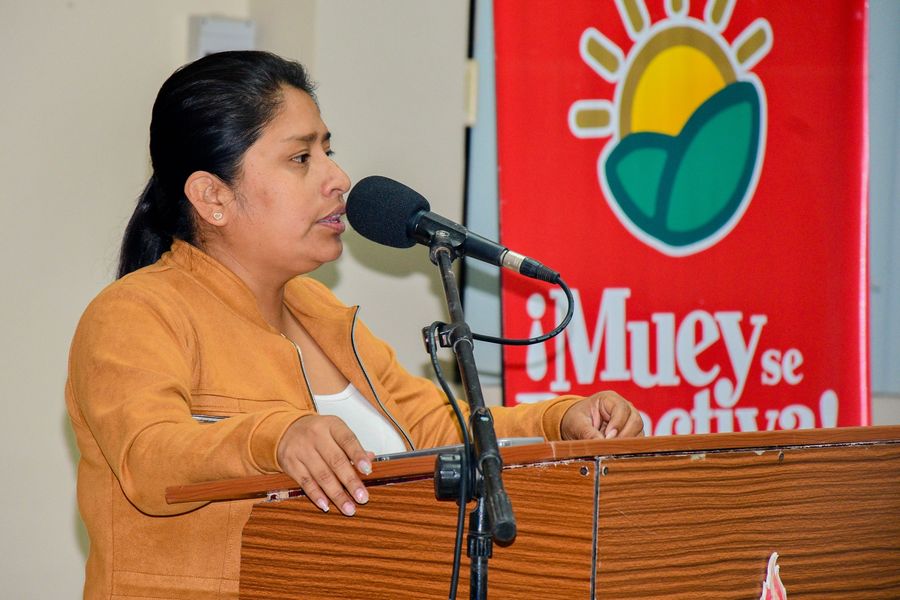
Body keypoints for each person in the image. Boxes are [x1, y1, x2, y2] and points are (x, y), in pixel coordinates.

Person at [65, 50, 643, 599]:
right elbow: (149, 457)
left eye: (328, 150)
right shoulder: (136, 313)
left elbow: (431, 429)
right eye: (301, 158)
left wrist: (560, 422)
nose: (338, 177)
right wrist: (276, 437)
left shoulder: (320, 314)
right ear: (212, 195)